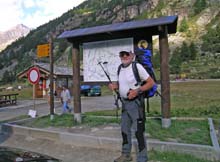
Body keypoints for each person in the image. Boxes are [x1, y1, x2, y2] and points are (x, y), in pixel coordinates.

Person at [109, 51, 155, 162]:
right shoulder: (120, 68)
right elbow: (121, 84)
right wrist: (114, 86)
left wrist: (137, 91)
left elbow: (150, 82)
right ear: (120, 57)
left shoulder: (137, 67)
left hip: (136, 104)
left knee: (138, 131)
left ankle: (142, 158)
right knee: (124, 129)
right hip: (124, 103)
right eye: (122, 55)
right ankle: (126, 155)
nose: (124, 57)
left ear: (132, 56)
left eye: (127, 54)